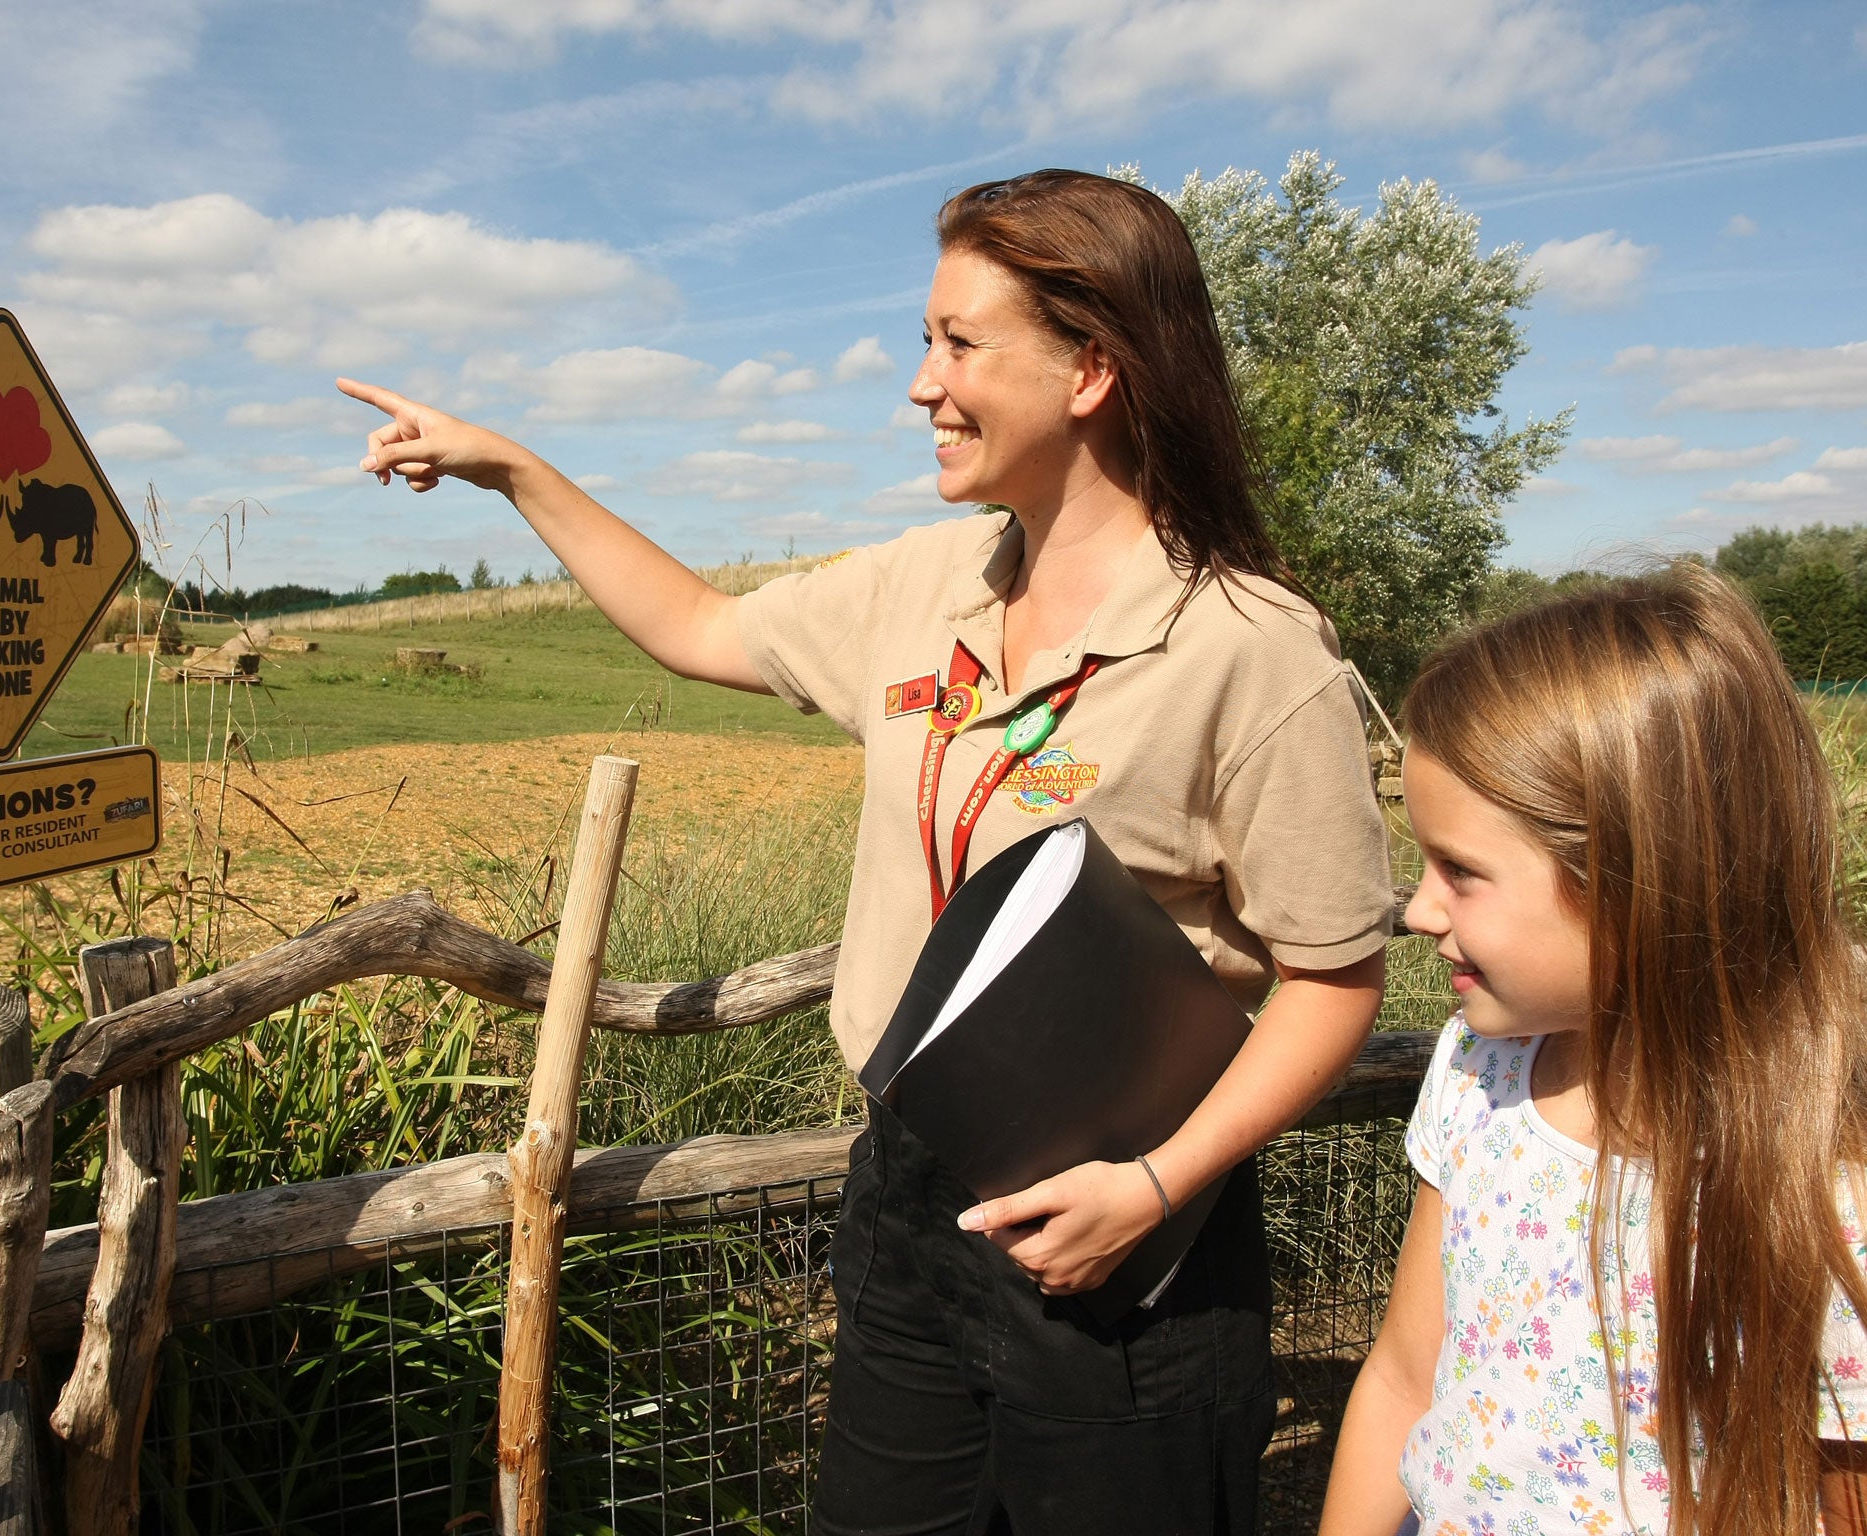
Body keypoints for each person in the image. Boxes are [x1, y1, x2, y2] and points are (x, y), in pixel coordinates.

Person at [341, 168, 1393, 1535]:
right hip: (904, 1205)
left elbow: (1333, 980)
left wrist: (1149, 1190)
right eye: (924, 340)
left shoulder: (1250, 653)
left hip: (1134, 1237)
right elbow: (699, 630)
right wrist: (514, 471)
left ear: (1091, 370)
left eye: (959, 342)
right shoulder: (919, 587)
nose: (921, 384)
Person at [1318, 565, 1867, 1536]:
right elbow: (1405, 1379)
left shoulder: (1823, 1177)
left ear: (1629, 875)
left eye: (1459, 870)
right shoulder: (1477, 1074)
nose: (1416, 909)